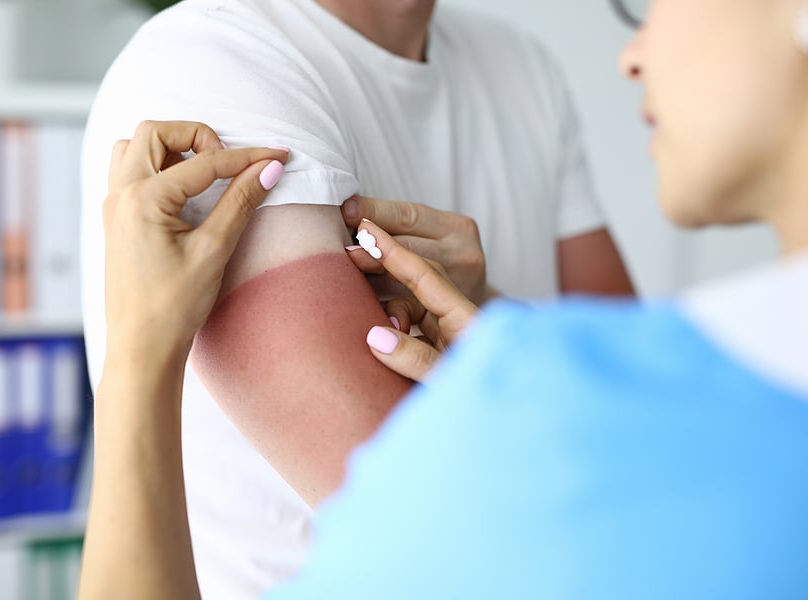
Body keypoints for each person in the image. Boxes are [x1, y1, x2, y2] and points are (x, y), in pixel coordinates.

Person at [79, 0, 808, 596]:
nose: (633, 55)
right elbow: (625, 401)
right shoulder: (211, 66)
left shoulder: (519, 69)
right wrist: (516, 345)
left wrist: (138, 360)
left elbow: (502, 512)